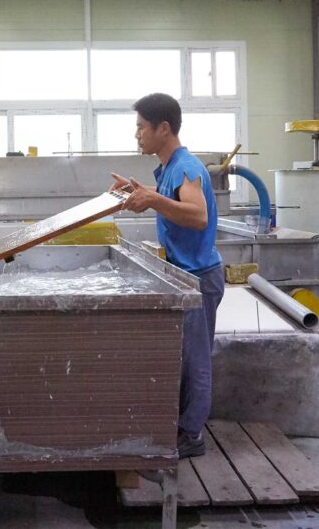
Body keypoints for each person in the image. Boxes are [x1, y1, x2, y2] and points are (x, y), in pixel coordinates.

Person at [110, 92, 224, 458]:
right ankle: (182, 425)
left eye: (141, 127)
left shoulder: (187, 167)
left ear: (163, 128)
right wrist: (139, 192)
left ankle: (191, 436)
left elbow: (197, 215)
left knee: (196, 361)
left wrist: (153, 199)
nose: (137, 135)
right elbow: (172, 204)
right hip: (187, 275)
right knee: (187, 358)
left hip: (199, 278)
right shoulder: (171, 168)